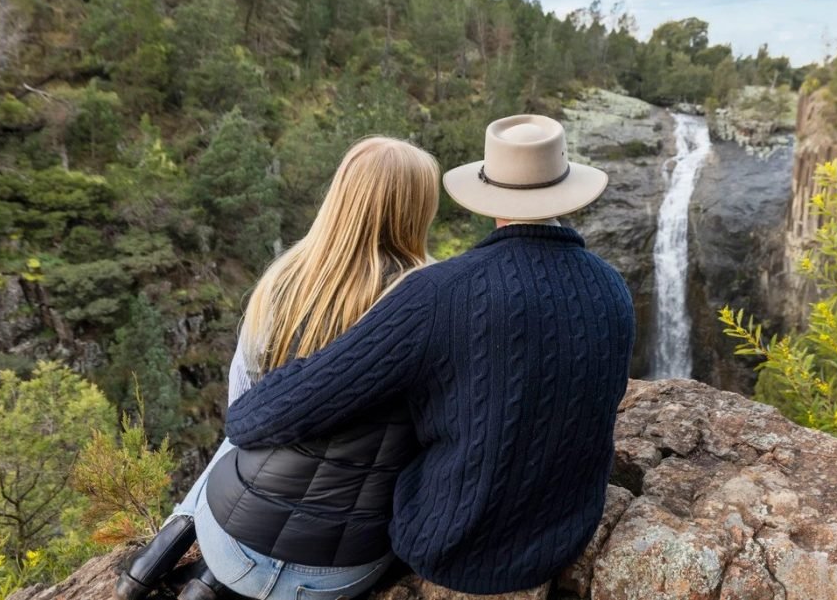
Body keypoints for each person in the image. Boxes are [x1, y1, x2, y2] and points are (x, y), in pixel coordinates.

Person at [225, 114, 636, 595]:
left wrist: (242, 417)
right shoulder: (613, 288)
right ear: (567, 189)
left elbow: (288, 404)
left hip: (449, 546)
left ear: (488, 194)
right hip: (563, 537)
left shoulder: (439, 294)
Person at [116, 137, 441, 600]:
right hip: (337, 574)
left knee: (248, 426)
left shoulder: (282, 280)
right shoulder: (432, 298)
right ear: (419, 208)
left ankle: (158, 559)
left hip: (228, 542)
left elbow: (241, 411)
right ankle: (207, 584)